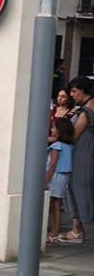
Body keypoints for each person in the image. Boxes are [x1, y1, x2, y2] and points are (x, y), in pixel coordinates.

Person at [63, 77, 93, 243]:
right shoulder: (84, 109)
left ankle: (77, 230)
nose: (72, 95)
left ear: (84, 90)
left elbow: (73, 135)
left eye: (75, 91)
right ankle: (76, 229)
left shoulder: (86, 111)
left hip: (82, 155)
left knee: (79, 190)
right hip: (84, 154)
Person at [47, 118, 75, 244]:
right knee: (56, 205)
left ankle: (51, 232)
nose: (51, 130)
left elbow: (52, 165)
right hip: (64, 177)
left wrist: (44, 181)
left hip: (55, 177)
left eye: (53, 127)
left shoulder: (57, 146)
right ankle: (55, 232)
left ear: (60, 131)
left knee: (51, 204)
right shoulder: (69, 146)